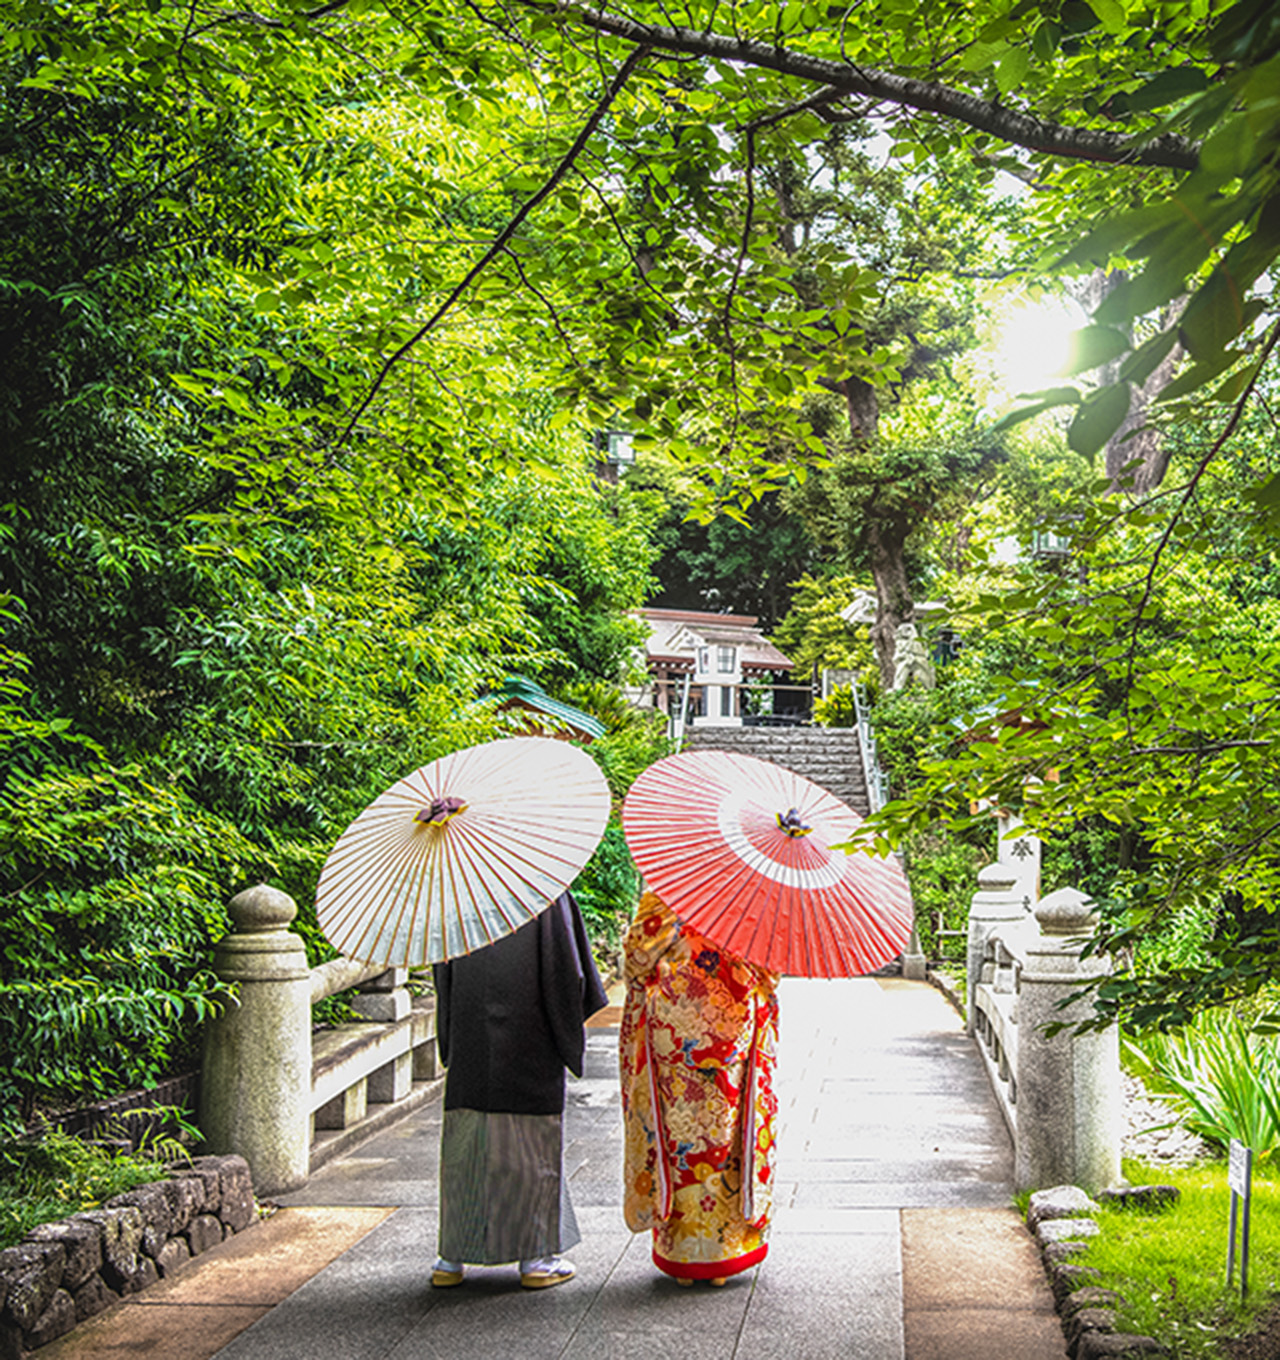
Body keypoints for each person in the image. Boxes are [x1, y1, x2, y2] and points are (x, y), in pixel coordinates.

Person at [430, 888, 608, 1290]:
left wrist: (453, 1033)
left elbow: (443, 970)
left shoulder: (459, 889)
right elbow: (569, 973)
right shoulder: (542, 887)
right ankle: (536, 1260)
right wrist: (569, 1023)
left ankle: (450, 1259)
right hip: (529, 1034)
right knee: (531, 1141)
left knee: (467, 1140)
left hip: (472, 1035)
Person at [619, 889, 780, 1286]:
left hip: (676, 1033)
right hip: (732, 1030)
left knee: (679, 1139)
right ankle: (724, 1252)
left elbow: (638, 960)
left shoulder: (667, 889)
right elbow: (769, 974)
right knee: (726, 1134)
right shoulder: (751, 894)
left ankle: (682, 1253)